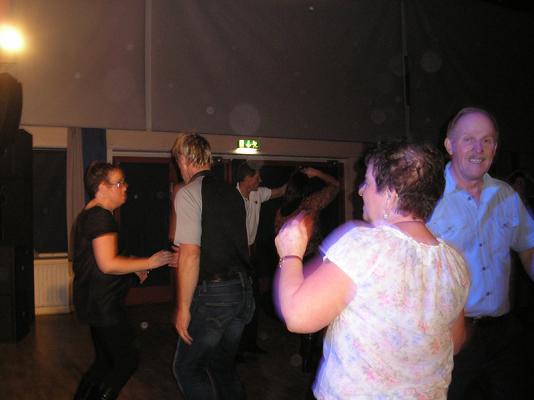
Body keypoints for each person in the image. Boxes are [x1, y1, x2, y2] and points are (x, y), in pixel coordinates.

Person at [275, 142, 470, 399]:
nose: (360, 191)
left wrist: (290, 253)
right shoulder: (454, 261)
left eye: (366, 182)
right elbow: (455, 342)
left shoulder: (365, 245)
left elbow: (298, 316)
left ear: (390, 195)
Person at [428, 107, 534, 399]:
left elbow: (528, 245)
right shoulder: (428, 198)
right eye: (469, 139)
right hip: (451, 335)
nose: (479, 149)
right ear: (449, 145)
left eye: (487, 140)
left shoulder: (506, 195)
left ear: (495, 148)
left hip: (503, 332)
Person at [72, 162, 173, 400]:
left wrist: (133, 267)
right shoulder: (100, 217)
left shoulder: (91, 214)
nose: (125, 187)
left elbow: (100, 259)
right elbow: (108, 264)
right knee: (127, 360)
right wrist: (148, 262)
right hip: (104, 304)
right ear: (102, 188)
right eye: (119, 183)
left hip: (95, 301)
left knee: (105, 362)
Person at [171, 133, 254, 400]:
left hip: (216, 296)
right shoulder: (232, 192)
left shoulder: (188, 193)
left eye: (178, 161)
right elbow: (228, 243)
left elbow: (191, 254)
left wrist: (183, 308)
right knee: (222, 367)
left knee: (186, 369)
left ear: (184, 159)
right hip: (243, 291)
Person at [274, 166, 339, 373]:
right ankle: (308, 356)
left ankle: (305, 353)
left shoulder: (281, 212)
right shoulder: (310, 204)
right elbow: (335, 186)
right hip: (311, 262)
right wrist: (318, 173)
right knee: (314, 308)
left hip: (291, 264)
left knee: (301, 306)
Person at [235, 161, 286, 355]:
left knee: (253, 301)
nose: (260, 180)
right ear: (247, 178)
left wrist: (302, 176)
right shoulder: (230, 197)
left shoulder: (257, 194)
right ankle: (236, 348)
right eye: (257, 177)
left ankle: (250, 344)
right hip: (235, 257)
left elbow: (280, 192)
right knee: (238, 303)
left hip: (250, 256)